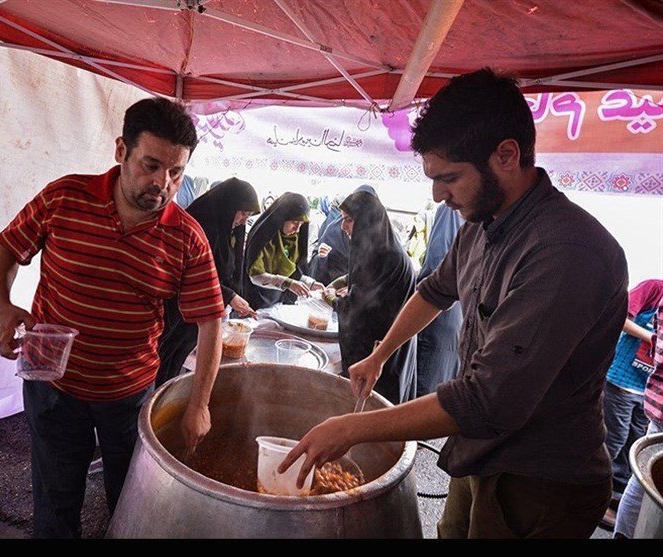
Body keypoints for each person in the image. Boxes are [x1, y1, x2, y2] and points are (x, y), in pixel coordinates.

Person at [278, 67, 629, 539]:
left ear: (507, 155)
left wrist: (351, 428)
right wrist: (380, 355)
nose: (438, 195)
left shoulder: (566, 252)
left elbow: (486, 400)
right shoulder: (481, 225)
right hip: (479, 452)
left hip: (538, 480)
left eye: (450, 178)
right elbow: (434, 292)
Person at [0, 97, 226, 538]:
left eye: (176, 172)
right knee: (55, 502)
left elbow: (210, 321)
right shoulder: (64, 197)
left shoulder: (187, 238)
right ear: (121, 150)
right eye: (151, 165)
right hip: (53, 386)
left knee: (132, 504)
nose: (163, 183)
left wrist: (199, 405)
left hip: (128, 396)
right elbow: (6, 247)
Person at [155, 177, 261, 388]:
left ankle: (165, 392)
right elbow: (189, 273)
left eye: (248, 216)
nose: (243, 220)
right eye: (242, 213)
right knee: (164, 355)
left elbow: (225, 270)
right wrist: (229, 295)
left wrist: (232, 294)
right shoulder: (201, 226)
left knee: (177, 357)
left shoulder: (226, 229)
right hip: (178, 307)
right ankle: (155, 397)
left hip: (198, 309)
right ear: (229, 206)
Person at [323, 189, 417, 404]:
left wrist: (330, 298)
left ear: (366, 221)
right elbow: (360, 275)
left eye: (348, 220)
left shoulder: (385, 257)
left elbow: (357, 308)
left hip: (381, 350)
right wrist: (340, 282)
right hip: (386, 345)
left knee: (376, 406)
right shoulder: (381, 249)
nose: (342, 226)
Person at [600, 278, 663, 530]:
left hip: (646, 389)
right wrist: (652, 337)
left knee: (634, 449)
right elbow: (619, 317)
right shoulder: (654, 288)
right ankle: (591, 497)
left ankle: (612, 497)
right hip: (622, 380)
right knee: (613, 440)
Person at [241, 191, 324, 310]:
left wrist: (310, 283)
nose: (297, 229)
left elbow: (294, 272)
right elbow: (255, 275)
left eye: (301, 224)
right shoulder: (263, 237)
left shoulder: (294, 239)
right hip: (255, 300)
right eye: (294, 222)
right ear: (282, 218)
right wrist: (287, 283)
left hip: (279, 301)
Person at [415, 203, 465, 396]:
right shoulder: (474, 224)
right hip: (457, 319)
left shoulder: (449, 211)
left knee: (424, 387)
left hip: (436, 319)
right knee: (441, 388)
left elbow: (436, 264)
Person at [308, 186, 376, 286]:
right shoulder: (333, 230)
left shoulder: (380, 237)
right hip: (330, 286)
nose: (343, 227)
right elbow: (316, 262)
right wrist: (322, 258)